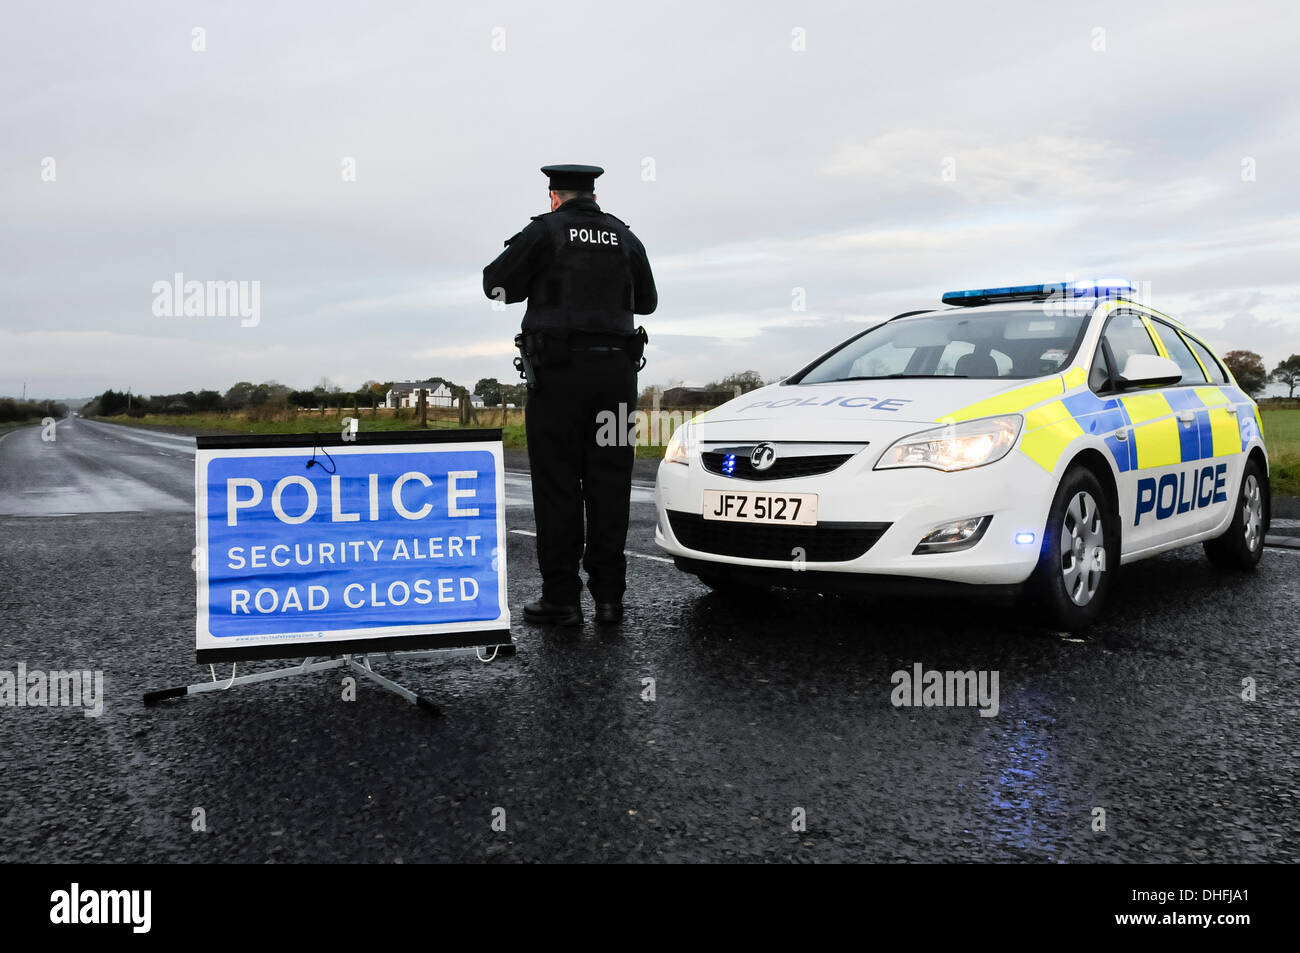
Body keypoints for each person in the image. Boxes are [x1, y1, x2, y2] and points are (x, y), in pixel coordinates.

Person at [482, 164, 657, 626]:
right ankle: (609, 599)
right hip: (618, 378)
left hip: (559, 376)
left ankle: (561, 599)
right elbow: (648, 301)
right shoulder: (623, 236)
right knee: (611, 485)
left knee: (558, 484)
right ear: (593, 193)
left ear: (553, 195)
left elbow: (495, 285)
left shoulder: (546, 230)